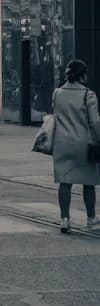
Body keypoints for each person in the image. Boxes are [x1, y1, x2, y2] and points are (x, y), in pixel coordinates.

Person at [51, 59, 100, 233]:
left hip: (61, 144)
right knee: (89, 182)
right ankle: (91, 218)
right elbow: (94, 122)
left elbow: (54, 115)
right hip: (84, 144)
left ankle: (64, 219)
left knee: (65, 182)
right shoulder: (88, 95)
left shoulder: (57, 93)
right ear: (83, 75)